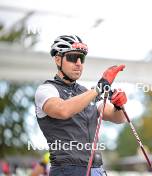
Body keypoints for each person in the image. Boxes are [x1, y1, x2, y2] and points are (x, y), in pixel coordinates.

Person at [34, 35, 127, 176]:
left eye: (81, 58)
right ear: (58, 60)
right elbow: (63, 110)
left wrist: (118, 105)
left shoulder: (86, 92)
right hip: (67, 169)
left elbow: (119, 118)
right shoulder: (47, 89)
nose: (78, 63)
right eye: (72, 57)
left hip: (97, 169)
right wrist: (98, 89)